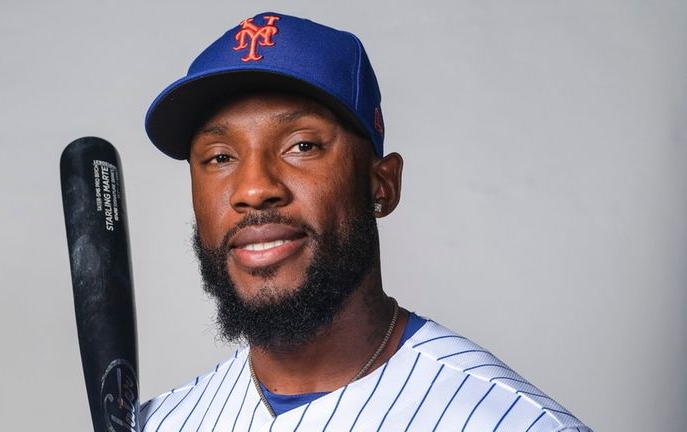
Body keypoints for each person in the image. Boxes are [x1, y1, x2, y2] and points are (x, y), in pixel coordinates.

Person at [139, 12, 591, 431]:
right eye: (220, 157)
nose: (253, 188)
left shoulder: (511, 422)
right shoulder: (161, 423)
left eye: (302, 146)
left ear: (382, 185)